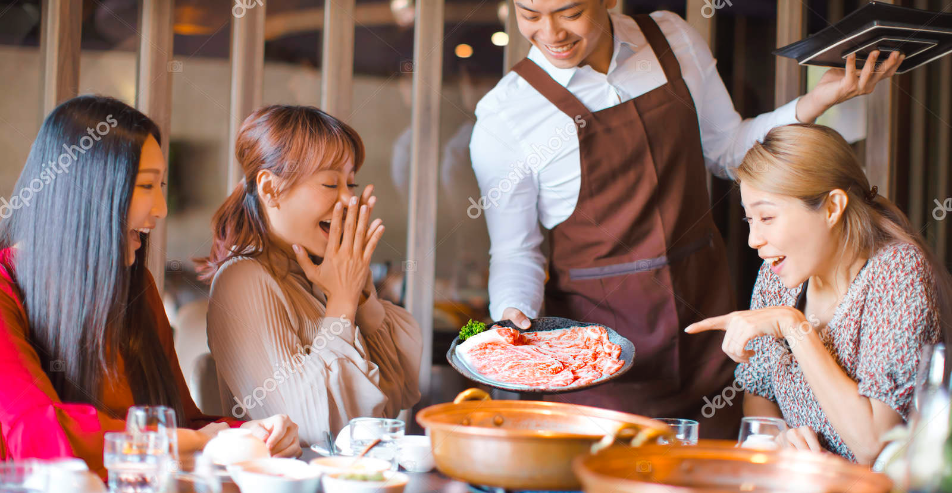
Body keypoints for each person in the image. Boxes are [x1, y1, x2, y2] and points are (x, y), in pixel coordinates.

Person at [469, 0, 902, 435]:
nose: (551, 32)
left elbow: (732, 150)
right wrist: (514, 316)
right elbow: (515, 252)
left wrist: (818, 99)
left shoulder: (670, 40)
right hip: (601, 363)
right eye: (529, 15)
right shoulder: (505, 115)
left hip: (710, 332)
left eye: (569, 12)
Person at [0, 96, 301, 477]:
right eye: (145, 185)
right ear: (85, 192)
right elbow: (37, 432)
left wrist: (252, 433)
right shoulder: (6, 288)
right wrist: (199, 442)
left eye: (160, 185)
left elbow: (181, 420)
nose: (160, 208)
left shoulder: (134, 285)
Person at [685, 124, 951, 464]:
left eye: (767, 217)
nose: (754, 239)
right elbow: (759, 392)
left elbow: (874, 446)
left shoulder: (897, 273)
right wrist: (778, 439)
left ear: (831, 208)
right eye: (750, 219)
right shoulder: (778, 275)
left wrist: (795, 327)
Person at [198, 105, 423, 446]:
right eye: (330, 183)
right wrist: (343, 302)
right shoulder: (242, 280)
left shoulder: (316, 276)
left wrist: (360, 293)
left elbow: (395, 397)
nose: (349, 200)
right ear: (270, 189)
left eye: (351, 183)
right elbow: (315, 430)